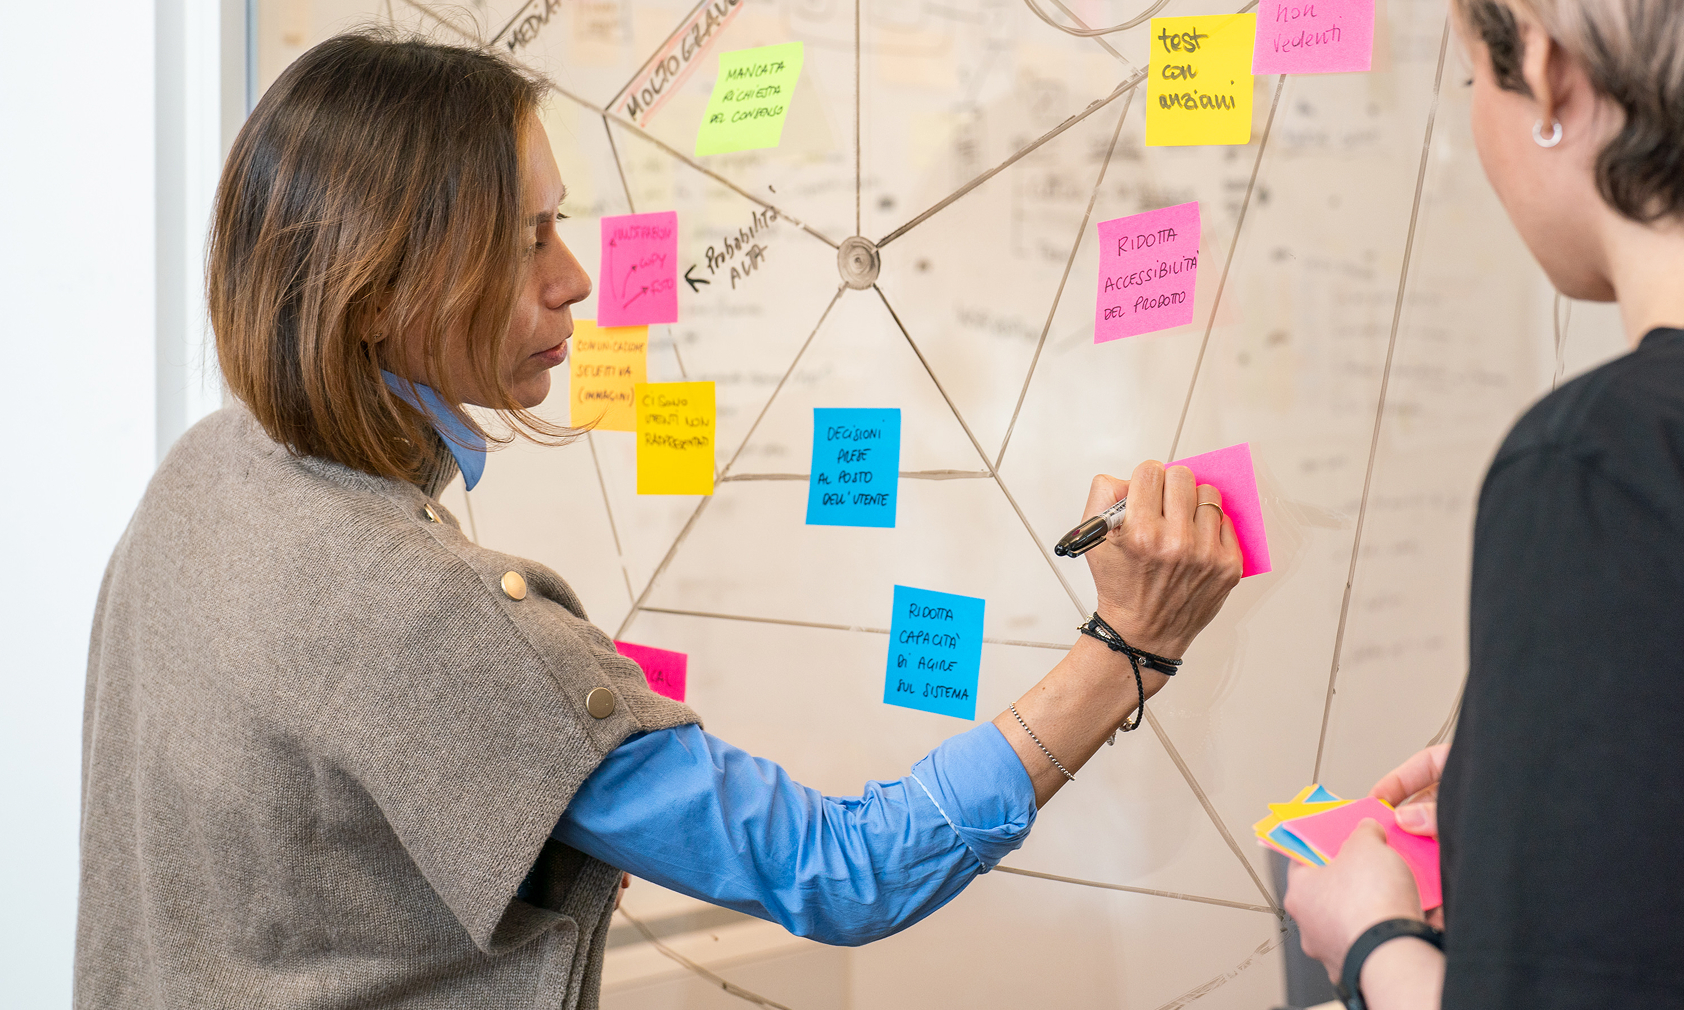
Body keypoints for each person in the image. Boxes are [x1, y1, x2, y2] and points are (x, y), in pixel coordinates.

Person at [74, 30, 1244, 1009]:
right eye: (527, 235)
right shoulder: (421, 614)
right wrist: (1126, 650)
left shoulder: (211, 470)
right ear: (379, 291)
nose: (575, 276)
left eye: (562, 224)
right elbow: (842, 872)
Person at [1283, 0, 1684, 1007]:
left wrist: (1372, 940)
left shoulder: (1613, 465)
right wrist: (1583, 753)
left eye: (1475, 80)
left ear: (1549, 72)